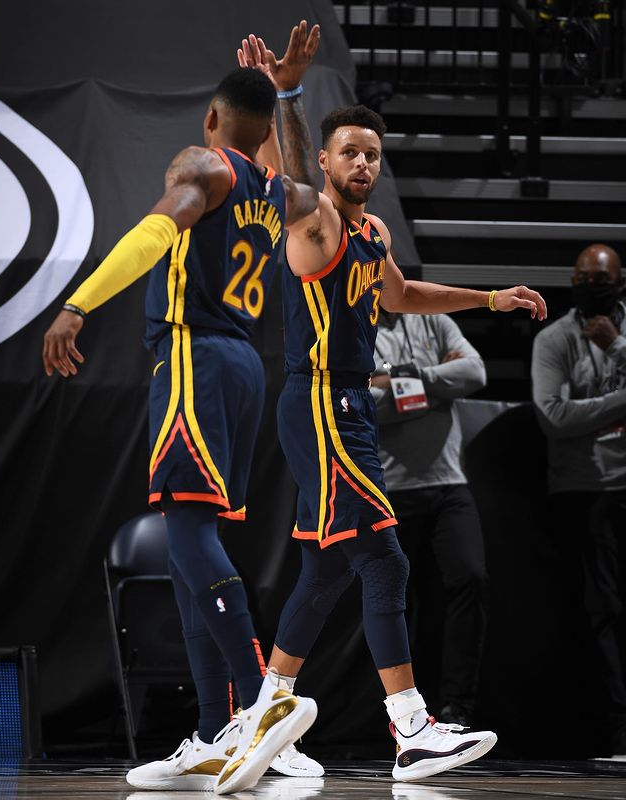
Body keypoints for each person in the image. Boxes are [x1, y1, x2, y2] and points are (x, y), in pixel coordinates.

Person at [241, 33, 547, 781]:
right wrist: (286, 94)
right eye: (349, 152)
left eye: (372, 155)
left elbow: (402, 296)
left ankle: (262, 715)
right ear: (325, 162)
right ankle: (411, 728)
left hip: (343, 406)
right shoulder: (314, 223)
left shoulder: (373, 232)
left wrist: (490, 298)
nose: (363, 164)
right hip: (321, 403)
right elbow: (289, 175)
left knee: (324, 571)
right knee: (384, 558)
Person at [42, 28, 322, 795]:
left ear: (211, 119)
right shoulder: (276, 193)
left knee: (189, 534)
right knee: (189, 548)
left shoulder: (204, 165)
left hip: (194, 356)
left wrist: (79, 303)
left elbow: (153, 232)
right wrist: (288, 95)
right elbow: (308, 187)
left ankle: (261, 703)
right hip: (244, 369)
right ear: (263, 132)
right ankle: (211, 731)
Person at [370, 311, 488, 728]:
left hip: (449, 483)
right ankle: (403, 713)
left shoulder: (434, 322)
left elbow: (474, 373)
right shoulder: (356, 325)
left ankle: (457, 705)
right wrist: (440, 386)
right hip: (393, 489)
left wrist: (400, 378)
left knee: (470, 577)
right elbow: (365, 406)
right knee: (398, 600)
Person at [532, 243, 626, 756]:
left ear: (621, 283)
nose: (591, 288)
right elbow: (553, 417)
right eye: (583, 279)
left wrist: (618, 348)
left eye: (601, 281)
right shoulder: (554, 339)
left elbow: (574, 413)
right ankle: (617, 728)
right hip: (583, 492)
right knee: (600, 611)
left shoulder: (620, 335)